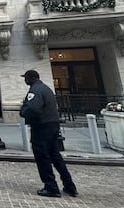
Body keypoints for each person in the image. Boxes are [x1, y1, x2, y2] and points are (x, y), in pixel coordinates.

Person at [19, 69, 78, 198]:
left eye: (26, 78)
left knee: (42, 157)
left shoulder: (35, 90)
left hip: (42, 126)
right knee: (55, 156)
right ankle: (69, 186)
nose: (25, 81)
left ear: (30, 78)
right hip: (52, 125)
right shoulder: (45, 88)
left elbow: (33, 108)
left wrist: (23, 110)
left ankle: (51, 187)